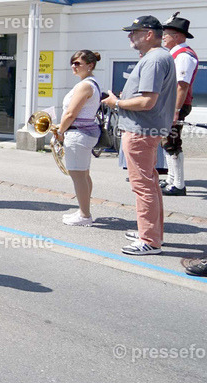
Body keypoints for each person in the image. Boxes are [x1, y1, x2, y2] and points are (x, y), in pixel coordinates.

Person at [103, 16, 176, 255]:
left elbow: (147, 101)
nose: (129, 36)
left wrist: (117, 102)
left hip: (140, 130)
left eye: (134, 32)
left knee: (143, 186)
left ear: (148, 34)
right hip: (145, 130)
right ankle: (152, 233)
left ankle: (150, 240)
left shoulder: (154, 59)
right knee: (150, 183)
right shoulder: (157, 57)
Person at [53, 51, 103, 226]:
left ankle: (84, 215)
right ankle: (84, 210)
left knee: (77, 175)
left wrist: (60, 130)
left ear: (90, 66)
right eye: (72, 63)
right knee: (84, 174)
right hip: (84, 133)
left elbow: (71, 113)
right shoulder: (90, 83)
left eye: (77, 63)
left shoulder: (84, 86)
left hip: (78, 134)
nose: (73, 66)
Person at [161, 12, 197, 196]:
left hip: (176, 105)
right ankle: (171, 179)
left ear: (176, 36)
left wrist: (175, 111)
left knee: (172, 143)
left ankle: (179, 184)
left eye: (165, 34)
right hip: (171, 105)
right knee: (167, 142)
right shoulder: (176, 54)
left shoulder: (183, 55)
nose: (163, 38)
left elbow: (182, 86)